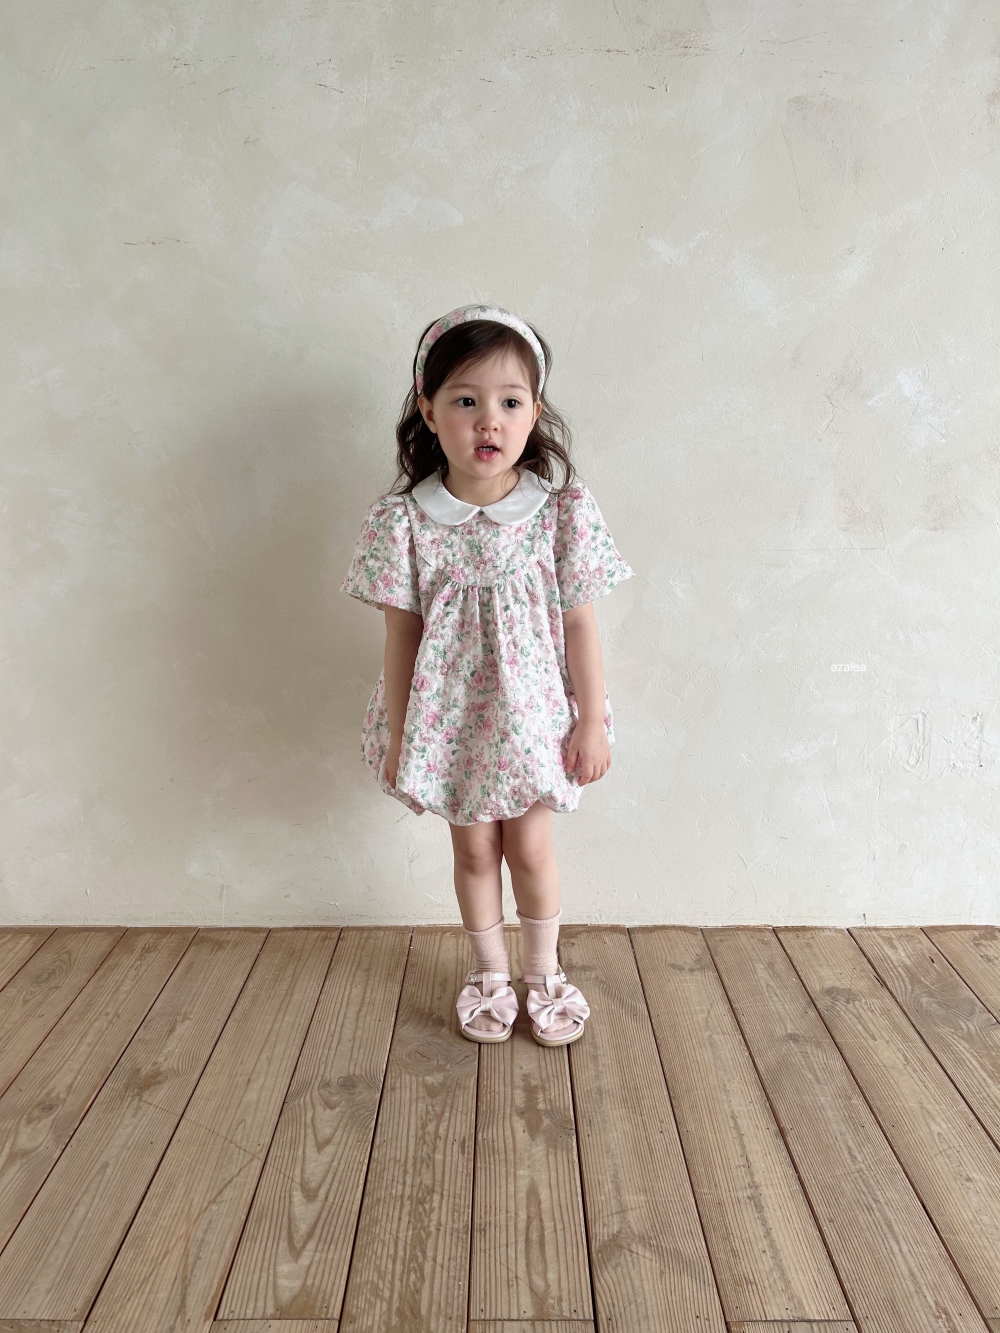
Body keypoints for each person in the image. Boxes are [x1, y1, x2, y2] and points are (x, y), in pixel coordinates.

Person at [341, 303, 634, 1047]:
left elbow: (579, 624)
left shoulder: (558, 513)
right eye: (466, 400)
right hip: (450, 723)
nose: (488, 421)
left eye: (509, 402)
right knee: (473, 849)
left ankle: (544, 972)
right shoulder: (404, 522)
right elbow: (401, 636)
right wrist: (402, 734)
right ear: (428, 411)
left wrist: (591, 719)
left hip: (533, 721)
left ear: (534, 412)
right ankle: (490, 973)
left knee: (529, 847)